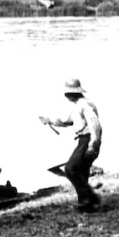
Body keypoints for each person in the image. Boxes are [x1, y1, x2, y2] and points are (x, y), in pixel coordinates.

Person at [39, 78, 103, 212]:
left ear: (74, 93)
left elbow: (95, 125)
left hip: (87, 140)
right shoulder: (77, 105)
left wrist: (93, 144)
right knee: (81, 171)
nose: (66, 96)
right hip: (83, 140)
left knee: (70, 168)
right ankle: (86, 204)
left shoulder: (85, 104)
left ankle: (90, 198)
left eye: (68, 93)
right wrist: (49, 121)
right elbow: (67, 120)